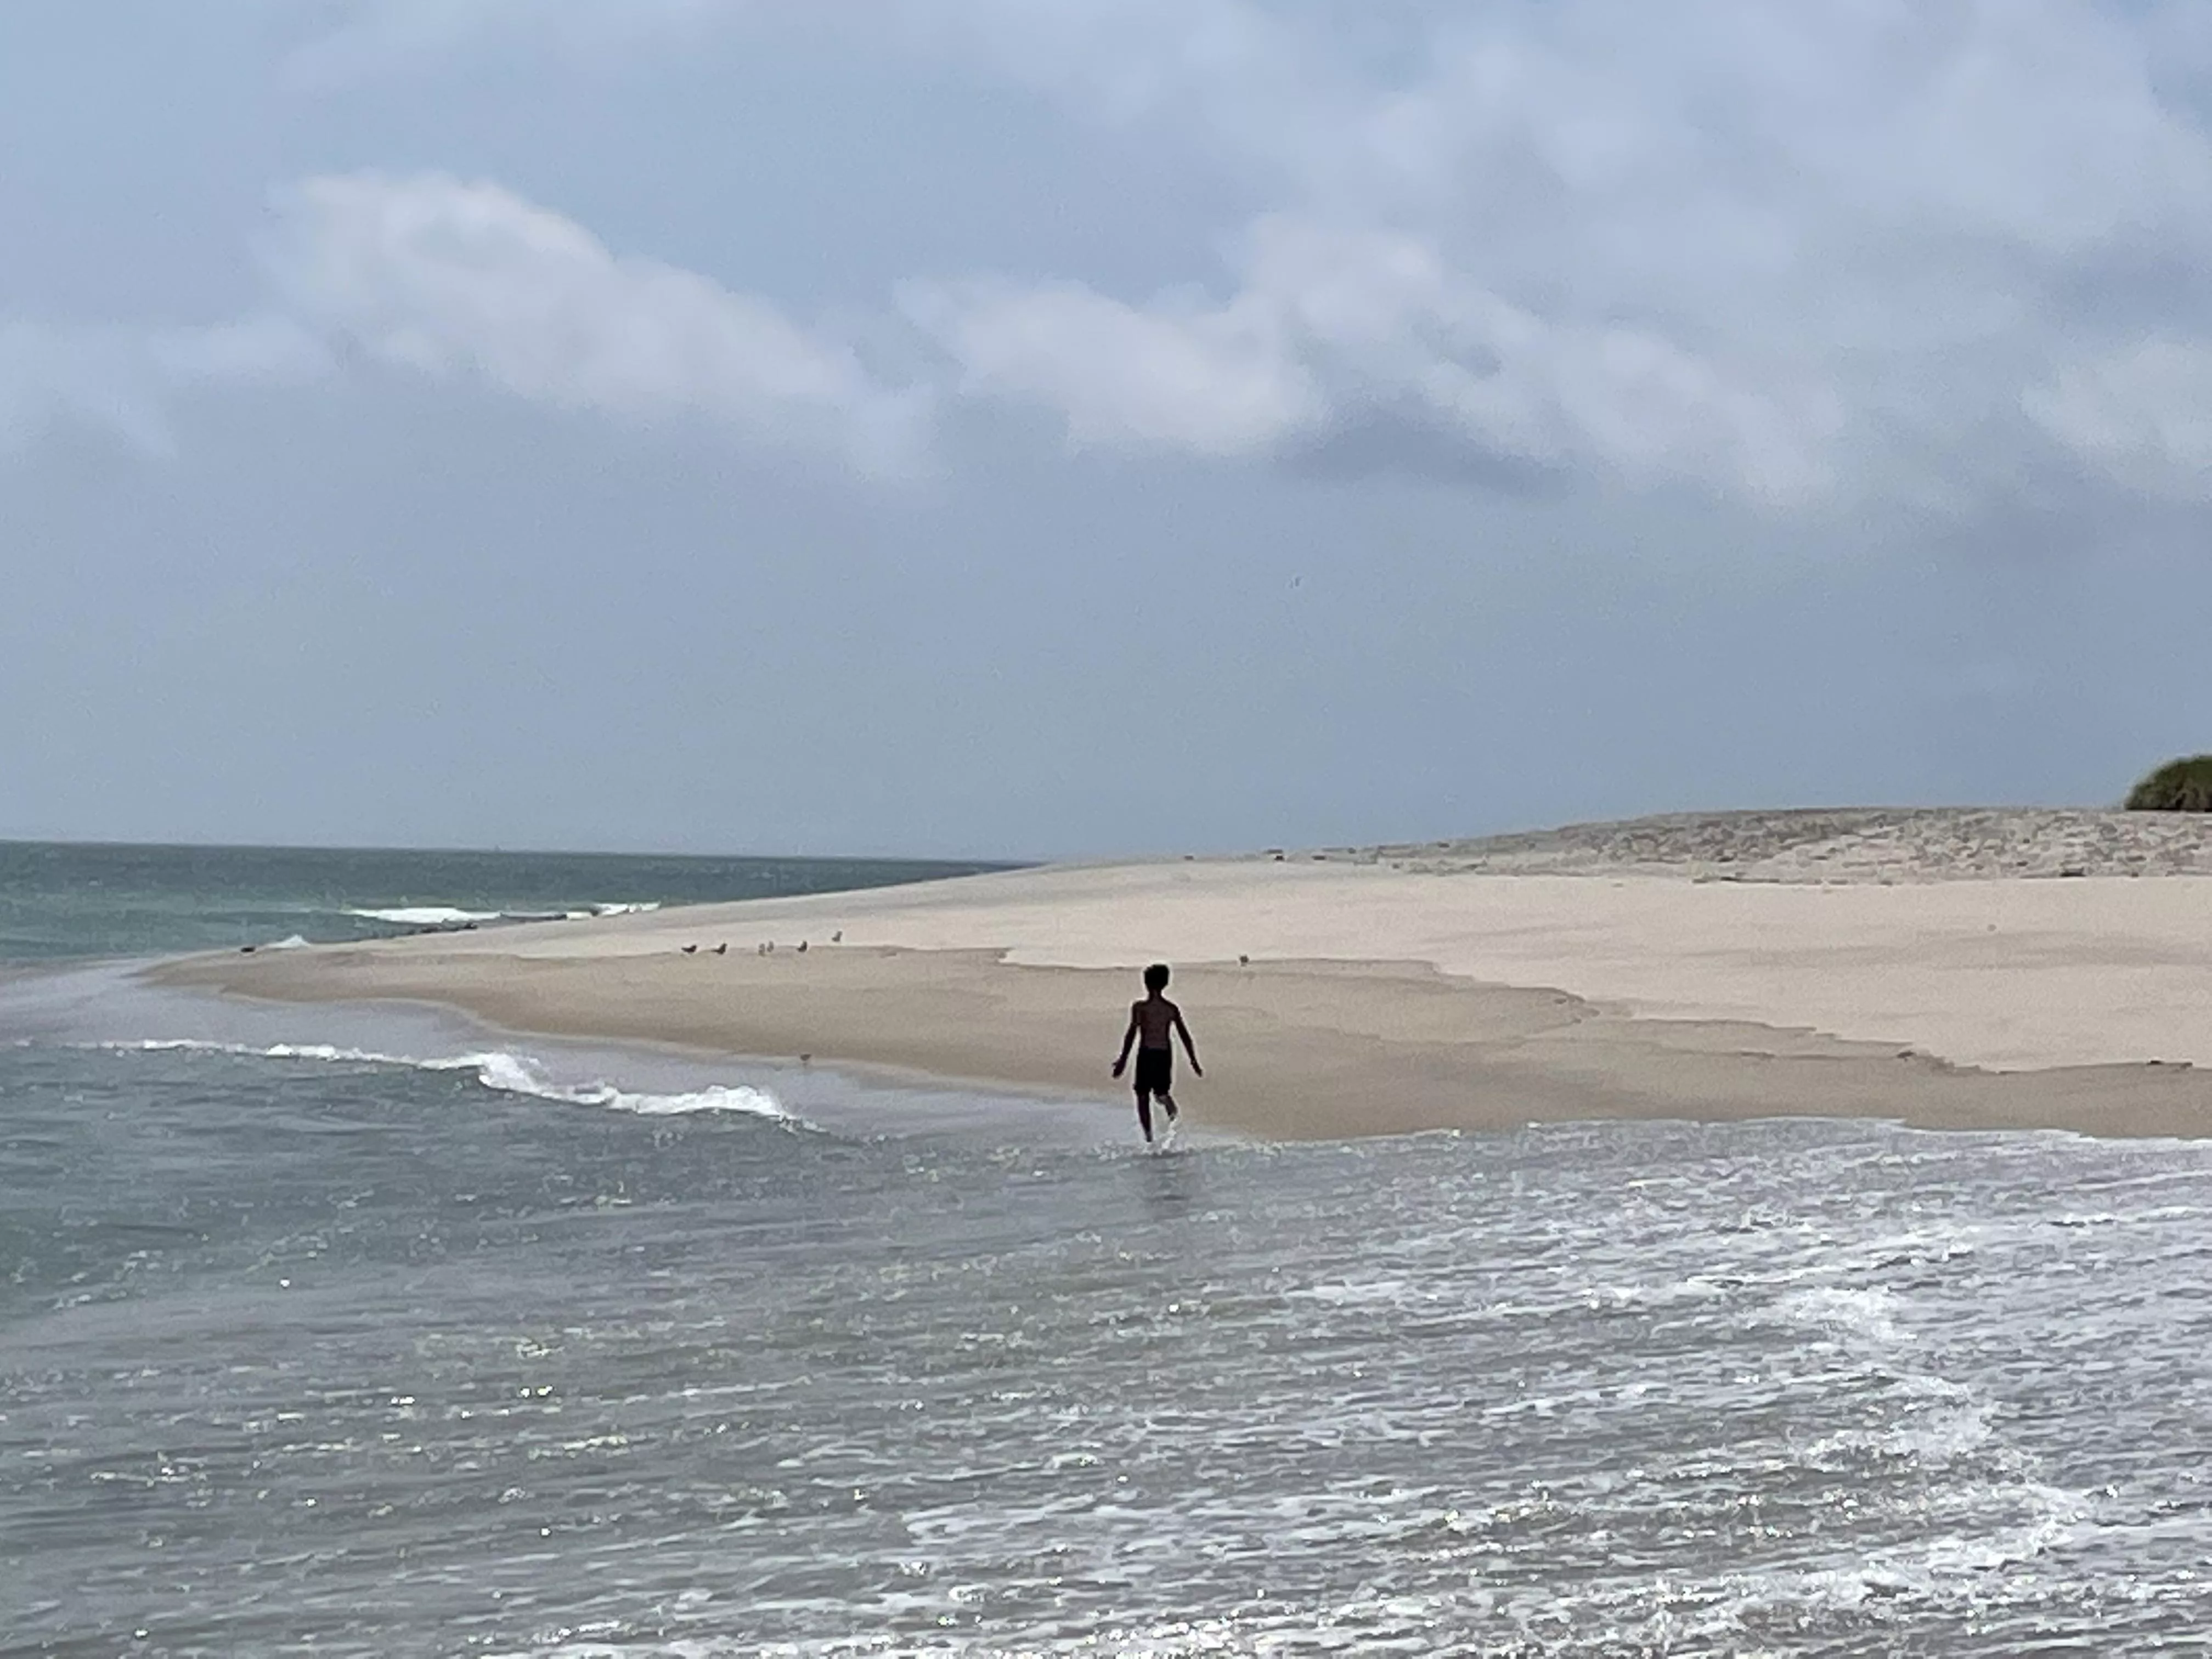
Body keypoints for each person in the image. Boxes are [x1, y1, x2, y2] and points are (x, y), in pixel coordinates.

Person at [1112, 962, 1201, 1143]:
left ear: (1145, 983)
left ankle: (1148, 1138)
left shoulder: (1140, 1008)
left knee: (1142, 1095)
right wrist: (1193, 1061)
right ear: (1166, 983)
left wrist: (1123, 1060)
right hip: (1164, 1053)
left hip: (1146, 1053)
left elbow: (1131, 1034)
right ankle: (1173, 1121)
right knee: (1161, 1094)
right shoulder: (1170, 1008)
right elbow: (1185, 1036)